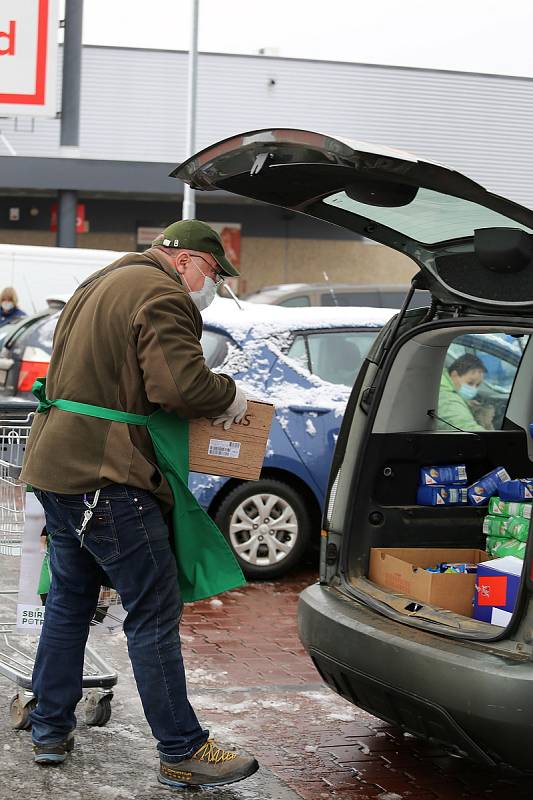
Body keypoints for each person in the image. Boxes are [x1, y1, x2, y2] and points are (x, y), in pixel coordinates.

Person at [20, 220, 259, 788]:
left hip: (57, 466)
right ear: (183, 261)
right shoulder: (160, 293)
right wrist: (232, 397)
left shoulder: (101, 280)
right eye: (212, 272)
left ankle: (49, 726)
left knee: (71, 601)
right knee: (153, 612)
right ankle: (182, 748)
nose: (213, 284)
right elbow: (179, 388)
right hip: (108, 475)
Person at [437, 353, 489, 431]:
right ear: (454, 375)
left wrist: (465, 404)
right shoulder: (447, 399)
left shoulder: (441, 383)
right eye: (470, 383)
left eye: (478, 385)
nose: (473, 388)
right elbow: (467, 428)